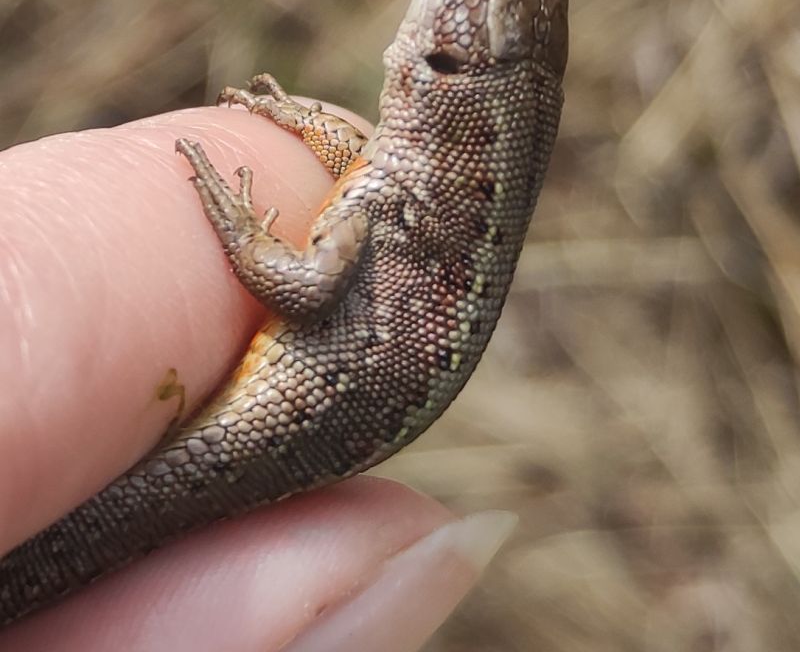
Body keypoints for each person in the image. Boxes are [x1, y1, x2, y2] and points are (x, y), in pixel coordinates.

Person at [0, 101, 515, 651]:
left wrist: (241, 231)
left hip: (281, 423)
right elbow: (355, 168)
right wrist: (304, 123)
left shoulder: (425, 191)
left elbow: (306, 286)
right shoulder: (426, 184)